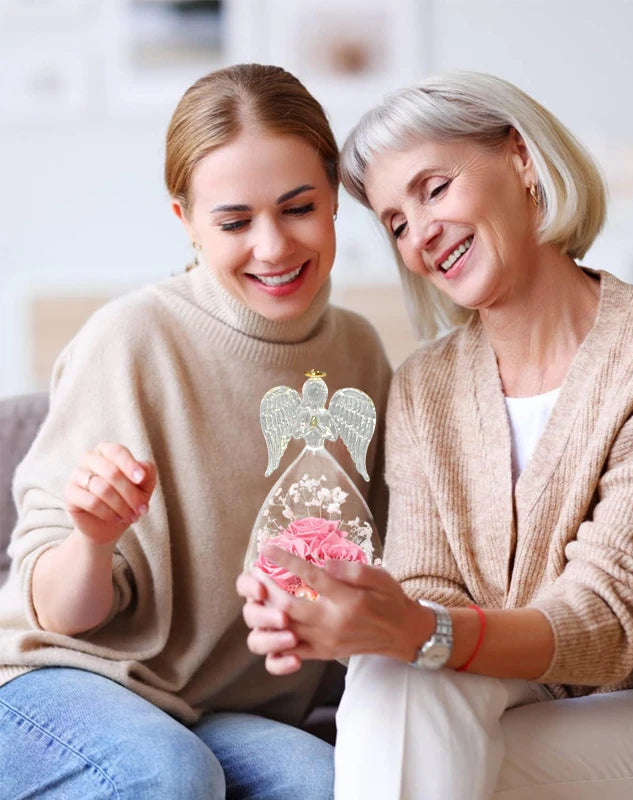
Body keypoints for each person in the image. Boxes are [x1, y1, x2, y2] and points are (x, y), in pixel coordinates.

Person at [237, 71, 633, 799]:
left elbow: (608, 614)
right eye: (396, 223)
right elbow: (427, 589)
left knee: (449, 755)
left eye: (433, 189)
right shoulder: (425, 386)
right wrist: (367, 613)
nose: (420, 235)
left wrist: (412, 628)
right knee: (395, 680)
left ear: (522, 159)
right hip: (538, 695)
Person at [0, 63, 391, 799]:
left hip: (218, 711)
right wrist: (91, 535)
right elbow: (56, 612)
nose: (272, 247)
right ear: (185, 221)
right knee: (167, 775)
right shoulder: (131, 340)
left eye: (299, 207)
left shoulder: (360, 354)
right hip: (52, 682)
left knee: (329, 785)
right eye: (235, 222)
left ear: (336, 196)